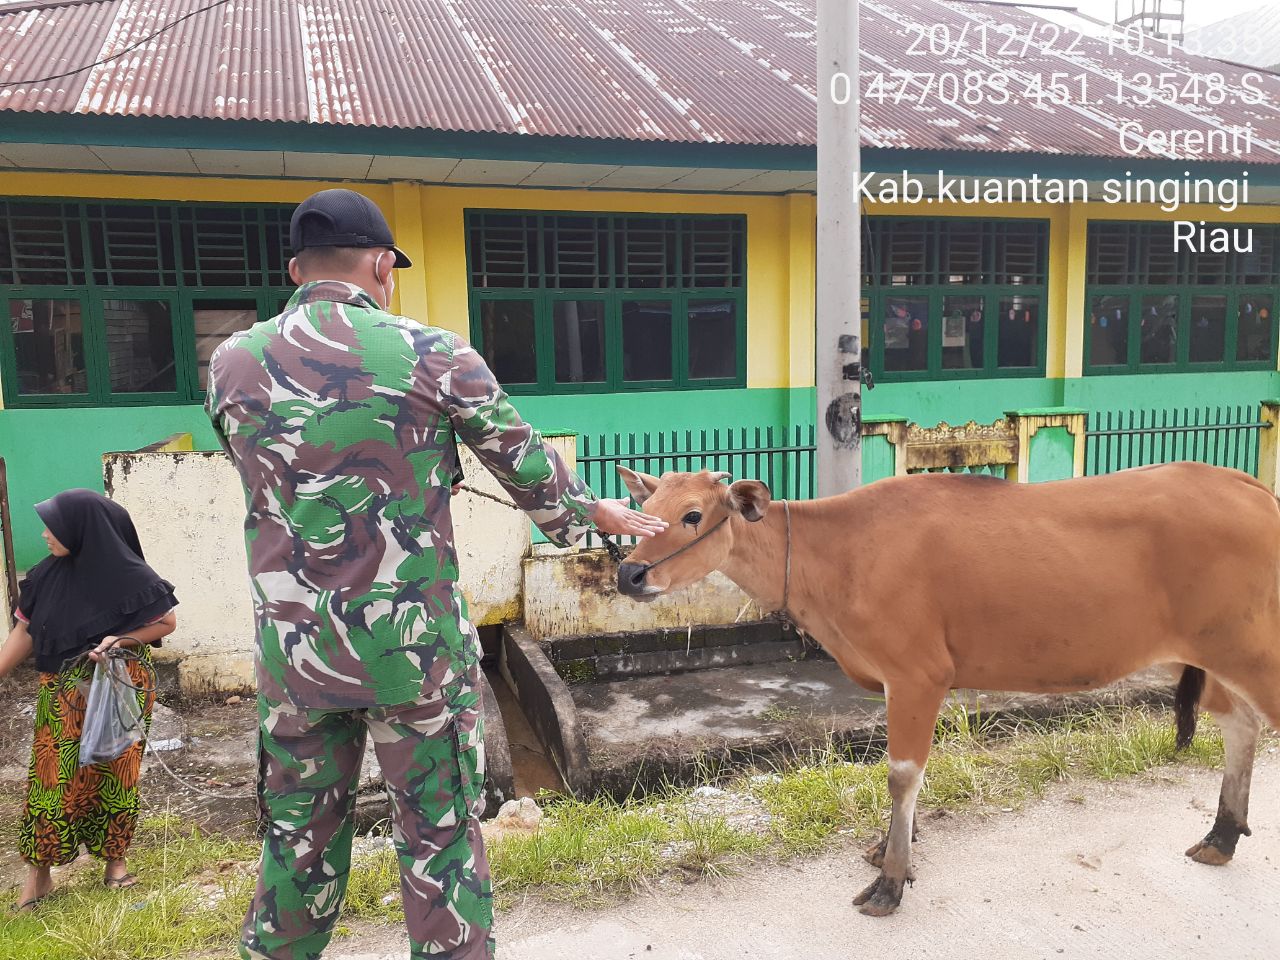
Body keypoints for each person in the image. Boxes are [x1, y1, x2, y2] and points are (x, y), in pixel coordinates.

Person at [206, 189, 666, 960]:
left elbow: (267, 475)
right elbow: (523, 463)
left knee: (296, 843)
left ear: (295, 268)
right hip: (411, 655)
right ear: (382, 265)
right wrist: (594, 514)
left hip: (297, 656)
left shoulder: (230, 362)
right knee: (439, 841)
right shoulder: (431, 352)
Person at [0, 490, 178, 910]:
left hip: (116, 685)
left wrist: (119, 638)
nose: (45, 534)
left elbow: (166, 621)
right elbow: (23, 633)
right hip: (62, 690)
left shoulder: (130, 574)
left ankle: (115, 863)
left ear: (83, 528)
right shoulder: (45, 575)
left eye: (53, 526)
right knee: (51, 780)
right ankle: (39, 876)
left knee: (115, 773)